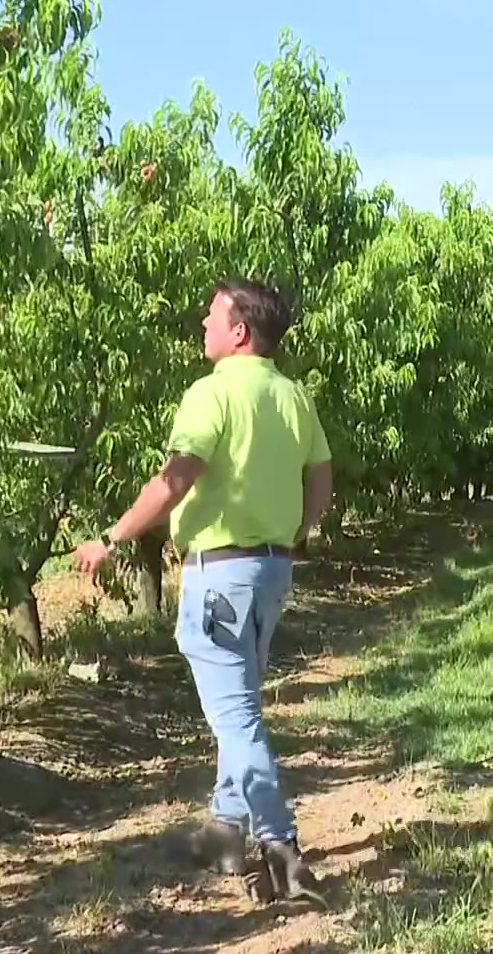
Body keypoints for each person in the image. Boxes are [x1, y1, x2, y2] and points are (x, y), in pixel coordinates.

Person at [73, 277, 333, 905]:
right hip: (271, 572)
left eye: (212, 316)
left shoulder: (211, 393)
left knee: (237, 719)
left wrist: (110, 539)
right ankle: (224, 832)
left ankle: (283, 850)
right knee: (239, 704)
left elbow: (174, 480)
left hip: (220, 575)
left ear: (239, 331)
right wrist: (297, 532)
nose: (203, 324)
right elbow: (321, 477)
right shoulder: (294, 397)